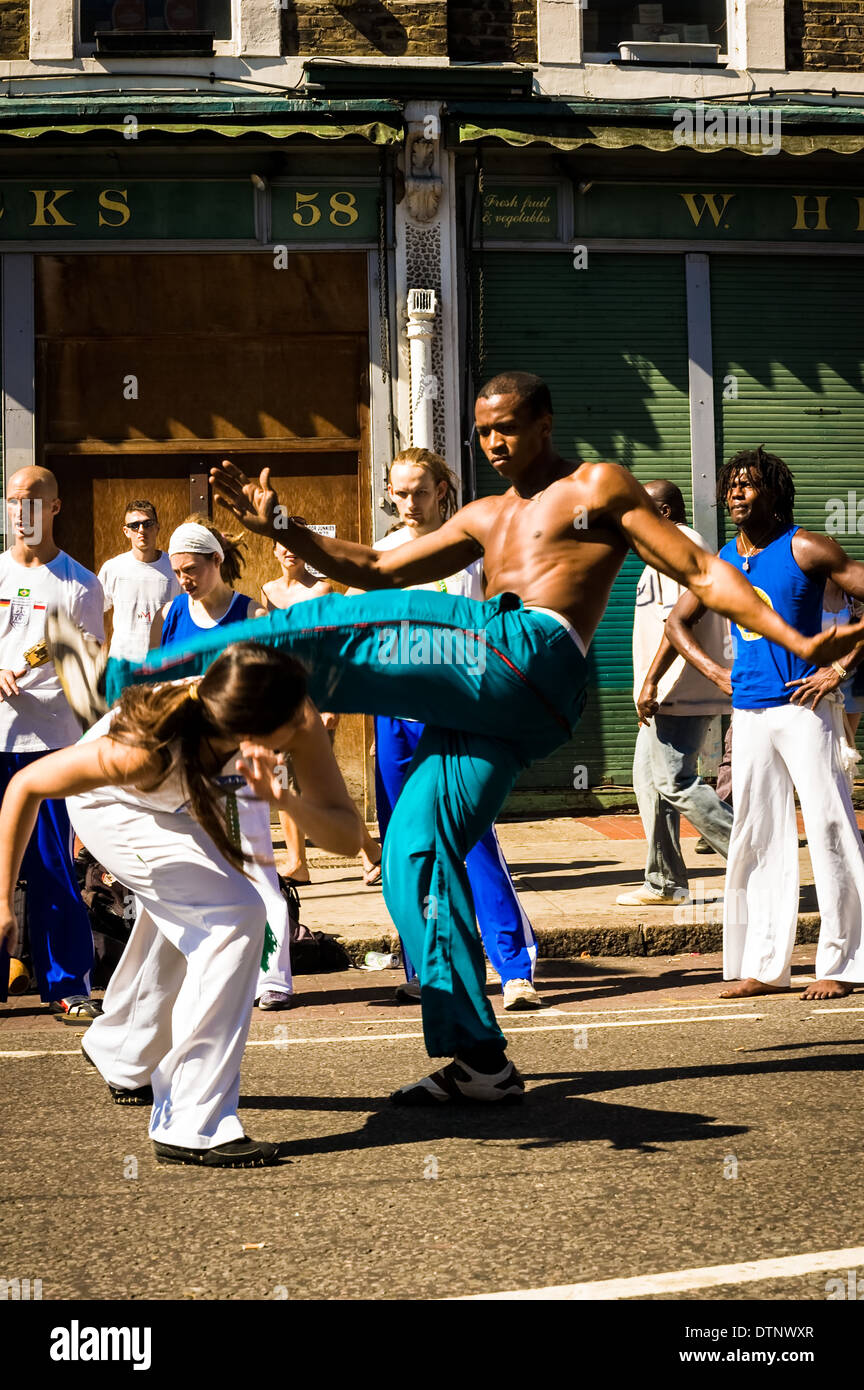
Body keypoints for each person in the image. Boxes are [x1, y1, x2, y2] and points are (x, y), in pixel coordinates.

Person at [49, 375, 864, 1106]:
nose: (494, 443)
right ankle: (480, 1060)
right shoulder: (485, 514)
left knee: (325, 626)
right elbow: (370, 564)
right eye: (482, 432)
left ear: (545, 421)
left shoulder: (597, 486)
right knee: (413, 858)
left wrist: (791, 643)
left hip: (526, 652)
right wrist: (285, 526)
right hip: (494, 713)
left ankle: (127, 681)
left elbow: (700, 568)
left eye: (508, 426)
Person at [0, 643, 363, 1167]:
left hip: (183, 802)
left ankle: (124, 1050)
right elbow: (26, 785)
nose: (312, 721)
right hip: (113, 806)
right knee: (234, 916)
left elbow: (347, 835)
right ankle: (191, 1120)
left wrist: (282, 796)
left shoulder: (291, 711)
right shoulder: (145, 747)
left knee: (200, 911)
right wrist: (3, 901)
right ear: (248, 734)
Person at [664, 446, 864, 1002]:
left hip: (805, 708)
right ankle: (764, 964)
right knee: (758, 834)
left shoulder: (806, 546)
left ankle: (843, 963)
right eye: (731, 484)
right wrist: (714, 671)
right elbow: (678, 622)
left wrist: (840, 669)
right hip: (749, 712)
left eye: (749, 484)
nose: (735, 492)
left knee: (828, 827)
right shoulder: (723, 559)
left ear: (774, 493)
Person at [357, 447, 541, 1010]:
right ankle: (426, 970)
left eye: (419, 491)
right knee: (404, 850)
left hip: (458, 716)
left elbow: (506, 621)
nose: (407, 503)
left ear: (442, 490)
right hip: (395, 717)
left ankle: (513, 969)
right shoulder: (383, 555)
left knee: (474, 841)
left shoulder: (472, 551)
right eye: (399, 492)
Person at [0, 466, 104, 1021]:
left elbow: (90, 672)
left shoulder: (80, 582)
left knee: (50, 866)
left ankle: (66, 984)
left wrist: (71, 659)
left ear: (56, 508)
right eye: (15, 501)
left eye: (33, 502)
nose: (22, 511)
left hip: (52, 744)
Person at [617, 480, 733, 907]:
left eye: (639, 511)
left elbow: (677, 625)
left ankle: (754, 860)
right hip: (663, 689)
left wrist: (653, 683)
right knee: (648, 782)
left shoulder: (679, 546)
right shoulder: (662, 550)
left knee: (676, 782)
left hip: (677, 688)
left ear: (663, 513)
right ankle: (665, 882)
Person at [262, 532, 383, 890]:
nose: (289, 551)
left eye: (297, 545)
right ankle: (297, 862)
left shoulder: (323, 590)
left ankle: (370, 853)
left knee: (322, 785)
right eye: (283, 544)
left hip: (316, 697)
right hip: (281, 695)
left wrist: (332, 704)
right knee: (280, 775)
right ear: (274, 549)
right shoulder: (267, 592)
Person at [150, 517, 263, 648]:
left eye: (190, 569)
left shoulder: (254, 616)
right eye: (177, 572)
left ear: (216, 559)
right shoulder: (165, 617)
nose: (182, 581)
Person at [98, 500, 179, 662]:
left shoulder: (174, 566)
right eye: (134, 525)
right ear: (126, 531)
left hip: (163, 663)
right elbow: (92, 610)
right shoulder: (113, 568)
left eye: (147, 523)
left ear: (157, 527)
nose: (141, 530)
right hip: (122, 665)